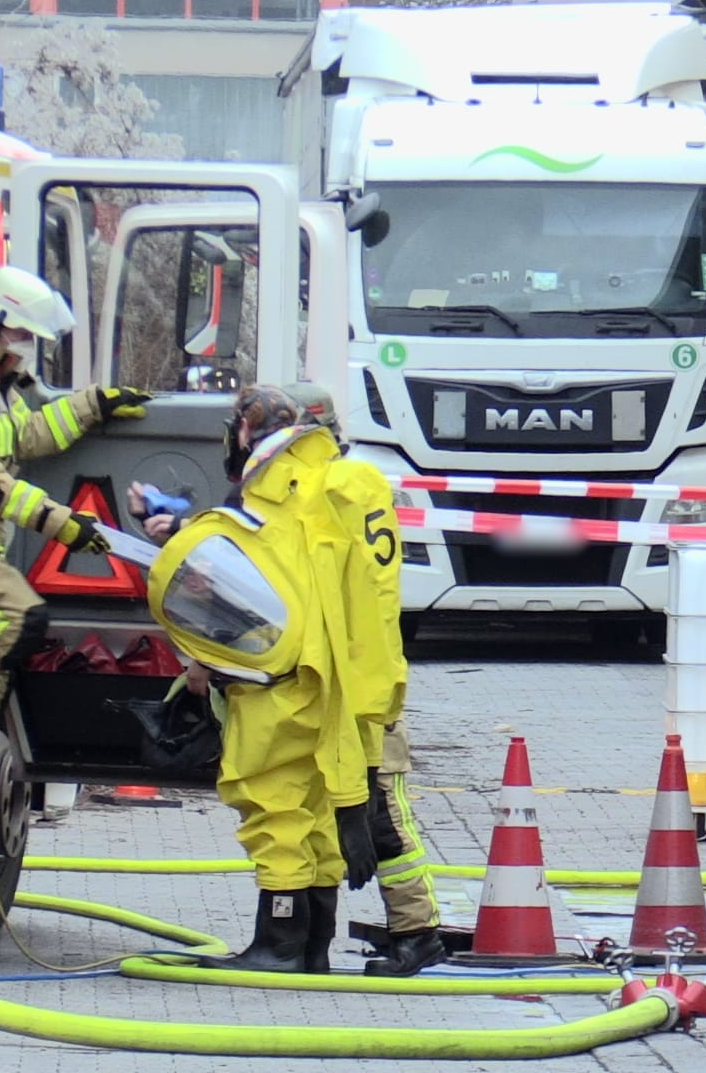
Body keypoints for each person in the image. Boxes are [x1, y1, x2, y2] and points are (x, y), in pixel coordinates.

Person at [146, 384, 380, 973]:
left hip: (277, 682)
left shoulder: (273, 497)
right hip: (332, 680)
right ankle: (312, 947)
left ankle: (277, 946)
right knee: (317, 811)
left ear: (250, 435)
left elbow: (243, 576)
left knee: (273, 809)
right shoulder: (330, 491)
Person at [0, 265, 153, 837]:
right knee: (17, 617)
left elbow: (22, 438)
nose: (25, 353)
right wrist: (60, 523)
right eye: (23, 339)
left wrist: (92, 405)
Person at [284, 381, 445, 977]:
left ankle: (417, 929)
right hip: (360, 675)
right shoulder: (358, 481)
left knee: (381, 811)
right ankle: (407, 927)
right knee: (362, 808)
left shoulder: (328, 489)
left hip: (360, 682)